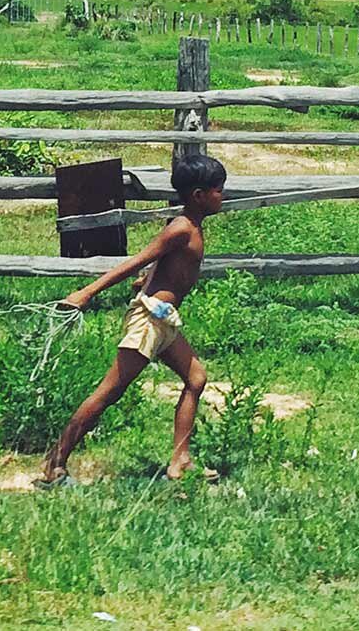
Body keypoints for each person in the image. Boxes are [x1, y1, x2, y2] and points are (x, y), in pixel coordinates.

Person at [38, 154, 226, 487]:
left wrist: (148, 279)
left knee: (196, 378)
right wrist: (87, 292)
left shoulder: (192, 227)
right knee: (109, 392)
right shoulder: (181, 228)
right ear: (199, 195)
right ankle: (55, 463)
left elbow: (159, 263)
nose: (221, 196)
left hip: (164, 319)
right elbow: (137, 259)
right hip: (148, 321)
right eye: (218, 190)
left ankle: (180, 462)